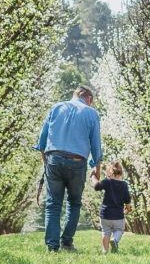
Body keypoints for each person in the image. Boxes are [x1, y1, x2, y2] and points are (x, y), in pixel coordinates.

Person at [35, 85, 103, 253]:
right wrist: (97, 167)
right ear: (88, 98)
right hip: (76, 161)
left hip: (54, 158)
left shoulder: (57, 107)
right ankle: (66, 243)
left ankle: (52, 246)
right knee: (74, 203)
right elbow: (96, 144)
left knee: (53, 204)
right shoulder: (91, 113)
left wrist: (45, 159)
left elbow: (42, 138)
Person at [93, 161, 132, 253]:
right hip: (118, 215)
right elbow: (127, 199)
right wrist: (128, 207)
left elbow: (96, 187)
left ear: (109, 172)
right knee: (119, 230)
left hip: (105, 214)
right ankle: (114, 240)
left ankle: (105, 251)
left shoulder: (107, 181)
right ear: (121, 172)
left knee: (106, 232)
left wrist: (93, 177)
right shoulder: (124, 185)